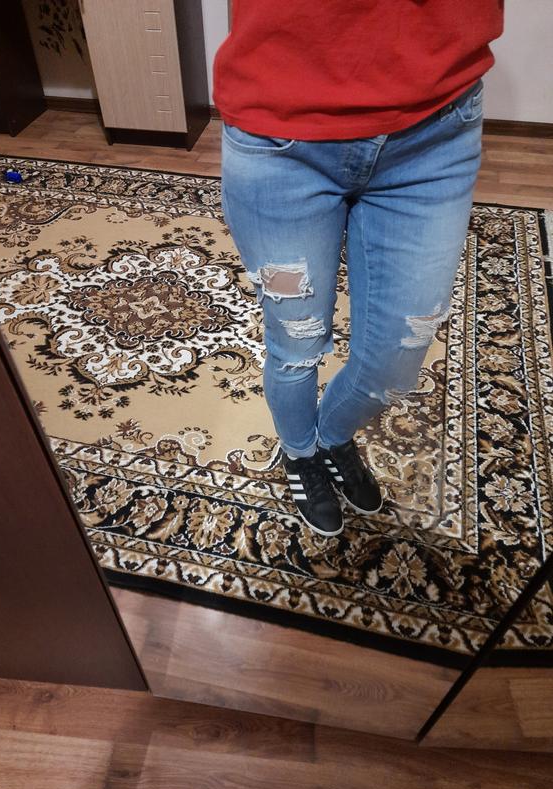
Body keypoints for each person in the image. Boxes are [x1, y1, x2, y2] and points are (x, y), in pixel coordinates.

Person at [213, 1, 505, 537]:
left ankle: (331, 438)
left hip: (434, 129)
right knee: (296, 341)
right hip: (279, 132)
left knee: (397, 360)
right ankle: (300, 452)